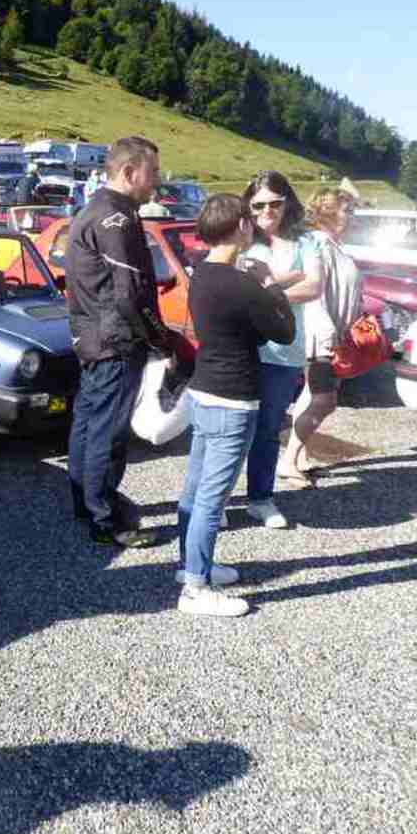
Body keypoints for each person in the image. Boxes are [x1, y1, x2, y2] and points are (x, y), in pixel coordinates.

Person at [177, 194, 295, 617]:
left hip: (204, 390)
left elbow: (248, 330)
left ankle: (190, 566)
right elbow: (283, 332)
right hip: (233, 399)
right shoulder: (243, 283)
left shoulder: (202, 274)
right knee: (213, 497)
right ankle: (195, 589)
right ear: (242, 226)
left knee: (195, 489)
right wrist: (272, 285)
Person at [66, 136, 182, 548]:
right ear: (130, 172)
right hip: (114, 342)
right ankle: (106, 519)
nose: (157, 182)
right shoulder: (117, 219)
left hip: (91, 337)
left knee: (87, 424)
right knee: (108, 434)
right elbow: (131, 295)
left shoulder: (91, 210)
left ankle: (86, 504)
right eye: (153, 173)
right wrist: (162, 340)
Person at [240, 171, 320, 528]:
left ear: (287, 203)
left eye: (274, 203)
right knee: (233, 428)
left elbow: (315, 286)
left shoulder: (306, 241)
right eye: (258, 205)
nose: (266, 211)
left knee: (268, 428)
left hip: (284, 350)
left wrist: (266, 289)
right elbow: (233, 285)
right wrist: (288, 281)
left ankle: (260, 498)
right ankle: (217, 498)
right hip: (243, 349)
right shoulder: (242, 239)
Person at [279, 188, 365, 485]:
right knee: (324, 400)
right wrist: (328, 337)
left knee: (311, 395)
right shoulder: (319, 244)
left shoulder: (333, 245)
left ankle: (300, 457)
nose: (353, 216)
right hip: (321, 336)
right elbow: (314, 296)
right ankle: (288, 461)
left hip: (332, 335)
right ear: (328, 213)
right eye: (348, 211)